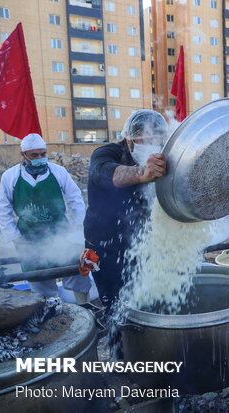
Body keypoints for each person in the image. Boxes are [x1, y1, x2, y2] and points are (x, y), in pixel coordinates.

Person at [84, 110, 167, 312]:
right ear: (129, 139)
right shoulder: (106, 153)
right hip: (105, 246)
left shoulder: (161, 158)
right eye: (144, 141)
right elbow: (108, 173)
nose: (151, 147)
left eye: (156, 141)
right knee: (115, 305)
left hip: (140, 243)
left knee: (145, 300)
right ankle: (118, 338)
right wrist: (142, 173)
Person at [0, 133, 92, 302]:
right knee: (39, 281)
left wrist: (78, 227)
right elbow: (3, 210)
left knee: (76, 271)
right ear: (23, 155)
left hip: (60, 233)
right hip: (29, 237)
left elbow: (76, 198)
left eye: (43, 154)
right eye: (35, 155)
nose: (40, 158)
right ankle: (51, 314)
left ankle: (84, 306)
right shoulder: (10, 177)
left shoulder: (58, 171)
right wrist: (16, 238)